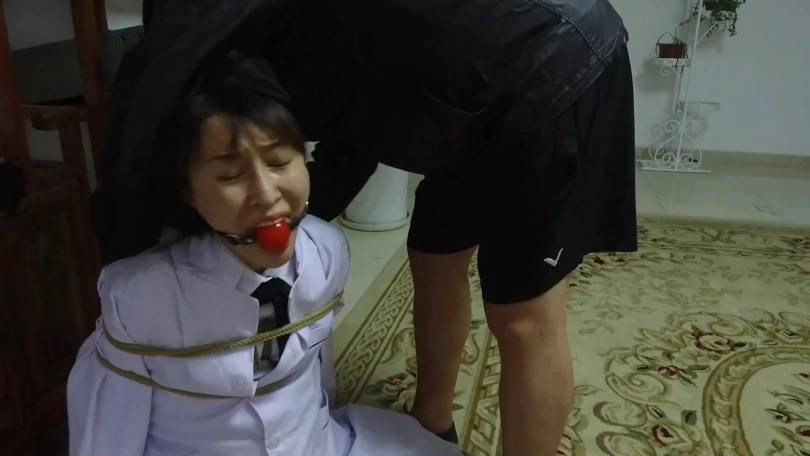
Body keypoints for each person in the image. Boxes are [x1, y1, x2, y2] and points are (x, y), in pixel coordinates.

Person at [68, 50, 471, 456]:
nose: (266, 194)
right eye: (231, 175)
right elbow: (108, 434)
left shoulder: (326, 253)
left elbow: (317, 373)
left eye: (279, 162)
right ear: (187, 191)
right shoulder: (139, 298)